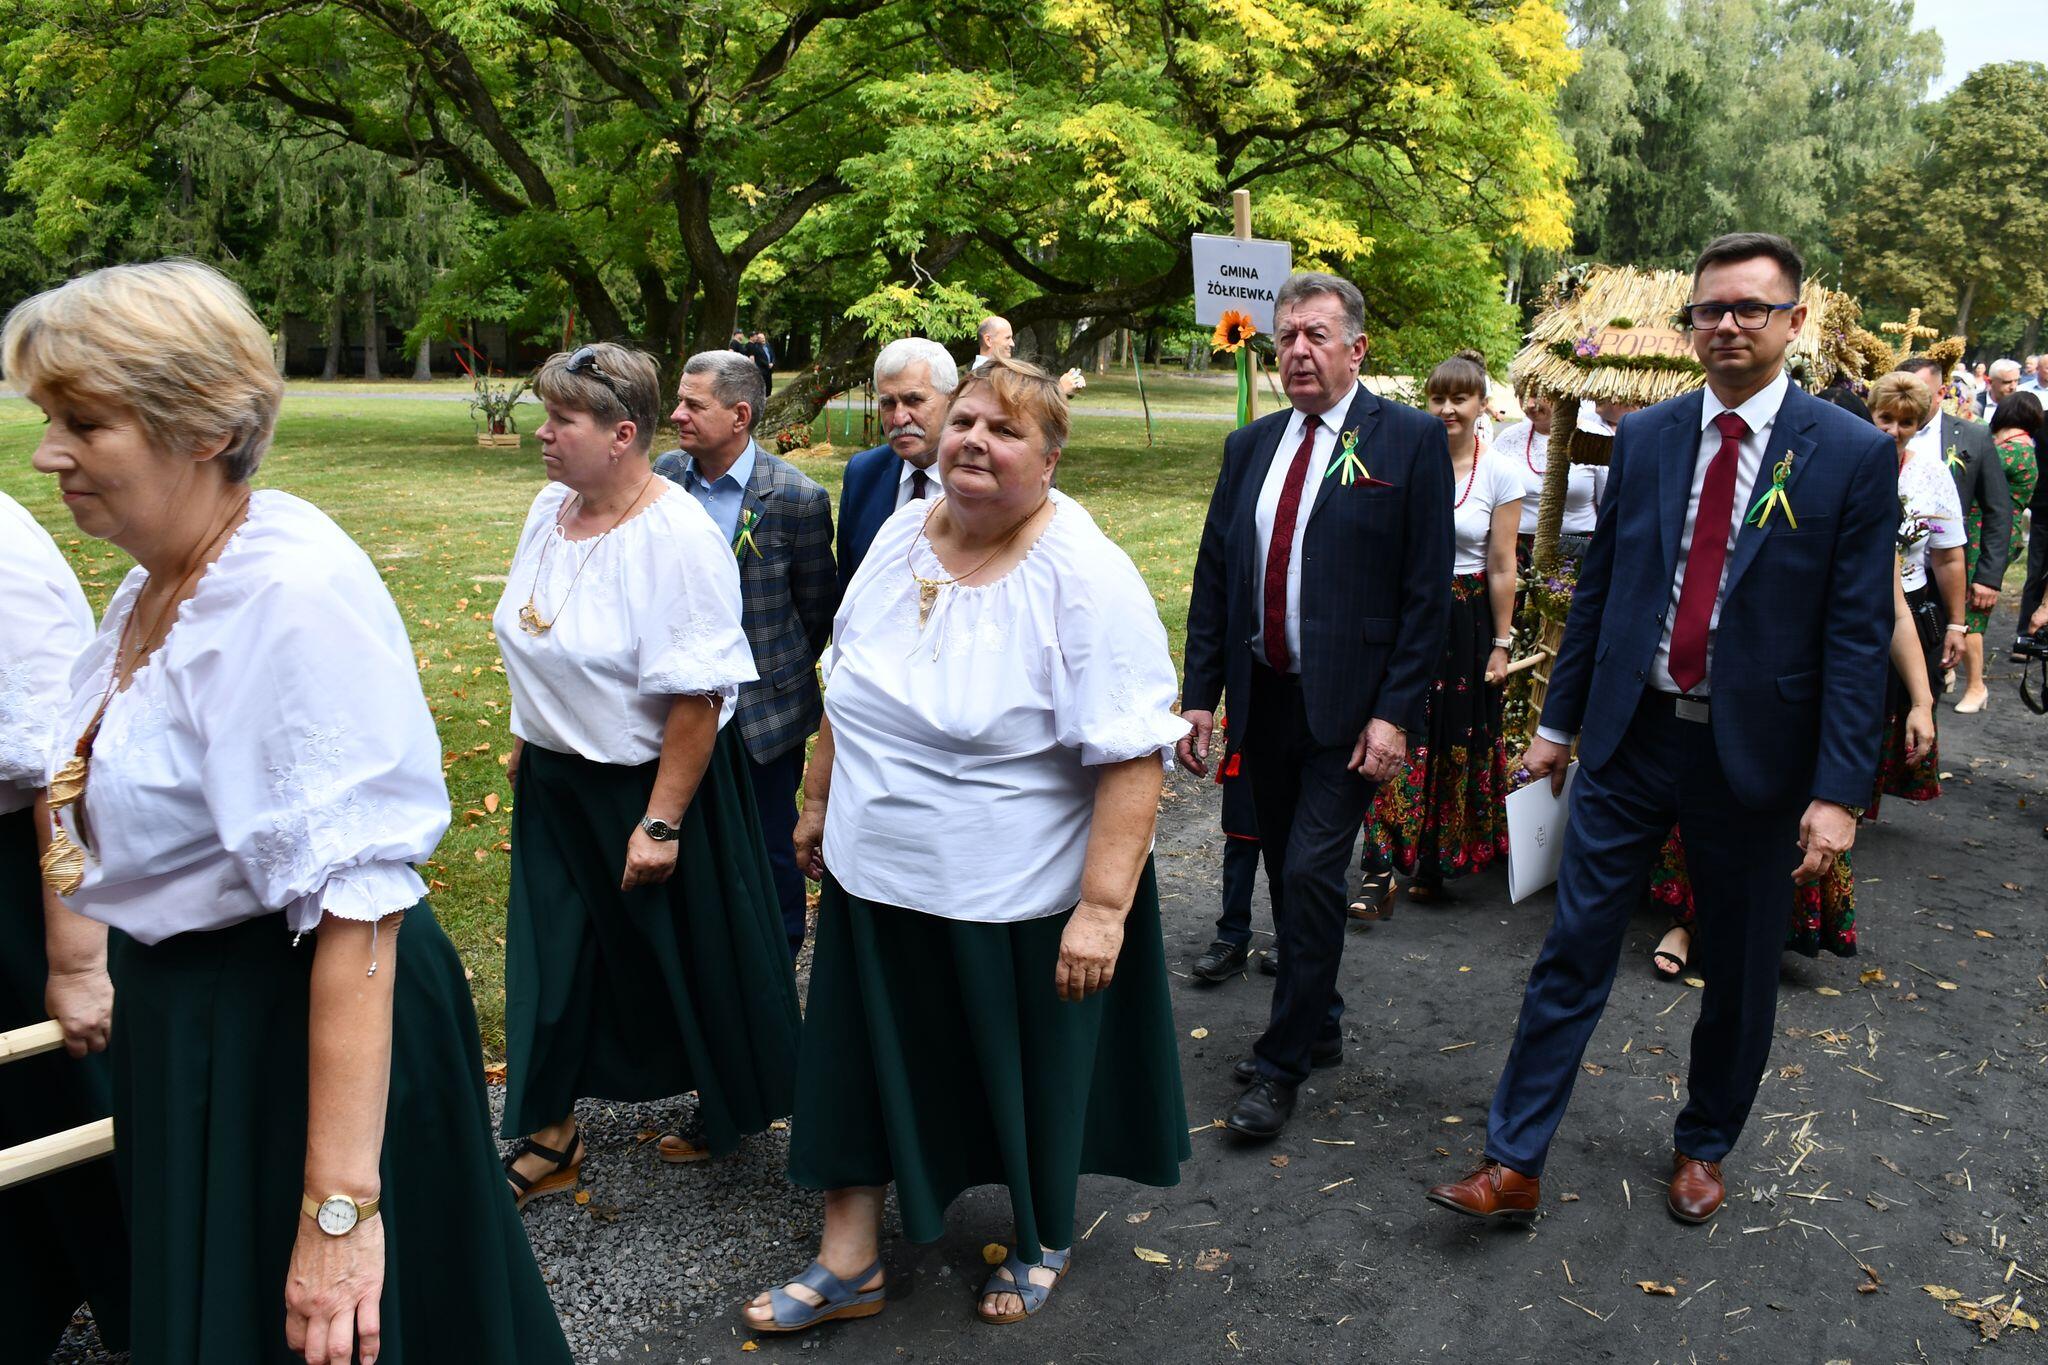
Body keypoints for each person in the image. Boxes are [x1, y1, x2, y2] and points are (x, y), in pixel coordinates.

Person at [5, 259, 570, 1364]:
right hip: (198, 1019)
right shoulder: (160, 581)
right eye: (48, 420)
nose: (48, 454)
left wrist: (338, 1213)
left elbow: (358, 908)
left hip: (302, 1027)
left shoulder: (284, 593)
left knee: (324, 1322)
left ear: (204, 428)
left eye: (85, 423)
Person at [1429, 233, 1895, 1228]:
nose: (1725, 325)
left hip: (1755, 759)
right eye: (1708, 309)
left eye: (1749, 308)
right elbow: (1601, 593)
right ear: (1687, 326)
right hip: (1631, 737)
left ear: (1792, 322)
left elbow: (1857, 635)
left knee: (1739, 969)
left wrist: (1837, 791)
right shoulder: (1644, 437)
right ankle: (1512, 1161)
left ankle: (1704, 1143)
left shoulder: (1848, 454)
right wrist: (1556, 726)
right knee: (1572, 945)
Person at [745, 359, 1189, 1332]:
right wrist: (816, 800)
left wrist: (1102, 910)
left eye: (1007, 430)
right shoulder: (900, 533)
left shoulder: (1084, 573)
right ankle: (848, 1261)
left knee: (1016, 1076)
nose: (975, 441)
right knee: (859, 1066)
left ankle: (1040, 1233)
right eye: (967, 422)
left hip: (1009, 893)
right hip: (873, 875)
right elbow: (847, 680)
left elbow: (1131, 753)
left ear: (1051, 459)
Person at [495, 343, 800, 1192]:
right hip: (557, 781)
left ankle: (733, 1103)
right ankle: (552, 1135)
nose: (542, 434)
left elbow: (699, 694)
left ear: (622, 433)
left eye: (562, 420)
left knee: (691, 959)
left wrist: (661, 822)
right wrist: (527, 736)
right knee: (552, 955)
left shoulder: (678, 536)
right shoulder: (549, 509)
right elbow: (536, 633)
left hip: (653, 784)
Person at [1179, 270, 1452, 1139]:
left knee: (1307, 873)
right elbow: (1216, 575)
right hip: (1265, 699)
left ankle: (1282, 1062)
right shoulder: (1249, 446)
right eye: (1286, 335)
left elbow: (1425, 595)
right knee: (1280, 870)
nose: (1297, 350)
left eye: (1316, 335)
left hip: (1352, 711)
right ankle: (1321, 1017)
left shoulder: (1407, 440)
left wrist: (1394, 712)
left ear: (1356, 349)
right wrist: (1200, 697)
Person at [1648, 561, 1936, 977]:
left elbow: (1894, 611)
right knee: (1708, 807)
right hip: (1736, 679)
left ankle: (1762, 932)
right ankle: (1687, 923)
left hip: (1813, 696)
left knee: (1793, 824)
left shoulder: (1866, 523)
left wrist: (1922, 703)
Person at [0, 488, 131, 1360]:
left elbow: (63, 760)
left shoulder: (2, 553)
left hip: (23, 884)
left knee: (72, 1110)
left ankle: (171, 1306)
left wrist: (78, 961)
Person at [656, 351, 836, 957]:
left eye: (693, 404)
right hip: (677, 697)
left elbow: (815, 609)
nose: (677, 415)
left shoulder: (796, 498)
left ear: (739, 416)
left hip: (762, 714)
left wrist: (767, 675)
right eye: (678, 401)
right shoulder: (665, 477)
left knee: (767, 844)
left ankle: (776, 958)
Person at [1356, 351, 1520, 912]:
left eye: (1460, 398)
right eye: (1438, 398)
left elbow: (1502, 566)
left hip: (1465, 622)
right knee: (1393, 724)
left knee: (1451, 738)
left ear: (1482, 405)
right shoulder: (1405, 458)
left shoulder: (1500, 472)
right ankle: (1380, 864)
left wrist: (1501, 646)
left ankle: (1434, 860)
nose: (1448, 409)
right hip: (1406, 612)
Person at [1867, 371, 1967, 813]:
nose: (1894, 430)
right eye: (1885, 418)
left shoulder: (1931, 473)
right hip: (1854, 603)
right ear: (1871, 413)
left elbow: (1949, 556)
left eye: (1906, 422)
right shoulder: (1848, 462)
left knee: (1901, 702)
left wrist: (1957, 623)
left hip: (1908, 600)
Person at [1897, 357, 2010, 695]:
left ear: (1940, 392)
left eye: (1920, 392)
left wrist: (1988, 576)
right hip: (1896, 575)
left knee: (1931, 665)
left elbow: (1998, 509)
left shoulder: (1972, 436)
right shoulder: (1879, 431)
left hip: (1944, 570)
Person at [836, 337, 956, 596]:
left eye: (914, 400)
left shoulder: (983, 480)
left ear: (953, 401)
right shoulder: (862, 473)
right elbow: (848, 585)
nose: (899, 418)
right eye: (888, 403)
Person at [1955, 392, 2041, 710]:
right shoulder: (2017, 446)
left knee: (1972, 610)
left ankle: (1976, 686)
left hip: (1988, 536)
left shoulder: (2015, 451)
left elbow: (1970, 463)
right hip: (1982, 533)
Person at [1189, 713, 1278, 981]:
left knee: (1287, 847)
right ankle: (1232, 938)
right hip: (1249, 730)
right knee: (1240, 840)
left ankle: (1292, 934)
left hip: (1305, 734)